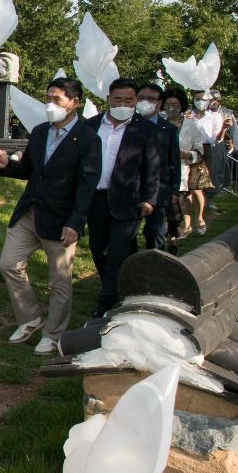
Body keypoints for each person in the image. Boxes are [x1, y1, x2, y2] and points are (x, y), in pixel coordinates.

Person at [0, 77, 101, 356]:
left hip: (62, 219)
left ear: (74, 104)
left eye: (57, 99)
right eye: (48, 98)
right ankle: (30, 318)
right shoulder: (40, 132)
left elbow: (87, 185)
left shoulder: (88, 139)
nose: (50, 104)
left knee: (59, 282)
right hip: (30, 211)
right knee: (8, 264)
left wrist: (75, 222)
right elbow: (30, 170)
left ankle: (54, 334)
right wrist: (7, 165)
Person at [84, 78, 160, 318]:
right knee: (98, 248)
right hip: (95, 198)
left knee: (117, 251)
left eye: (128, 100)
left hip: (128, 199)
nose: (123, 104)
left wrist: (149, 199)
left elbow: (153, 167)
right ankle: (120, 287)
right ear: (108, 99)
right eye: (118, 99)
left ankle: (106, 302)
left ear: (135, 101)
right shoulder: (91, 126)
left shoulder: (145, 129)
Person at [160, 87, 209, 250]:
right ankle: (165, 241)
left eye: (175, 104)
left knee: (175, 211)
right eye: (168, 104)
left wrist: (187, 155)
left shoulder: (191, 126)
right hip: (158, 175)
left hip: (180, 174)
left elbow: (199, 151)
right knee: (161, 212)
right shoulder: (157, 123)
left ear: (181, 105)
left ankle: (173, 236)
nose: (171, 107)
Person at [136, 82, 181, 251]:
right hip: (131, 186)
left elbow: (173, 161)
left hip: (159, 189)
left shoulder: (168, 129)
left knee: (155, 232)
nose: (145, 102)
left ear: (159, 103)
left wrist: (174, 191)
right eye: (141, 98)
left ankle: (156, 264)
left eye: (151, 99)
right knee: (127, 233)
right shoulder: (127, 125)